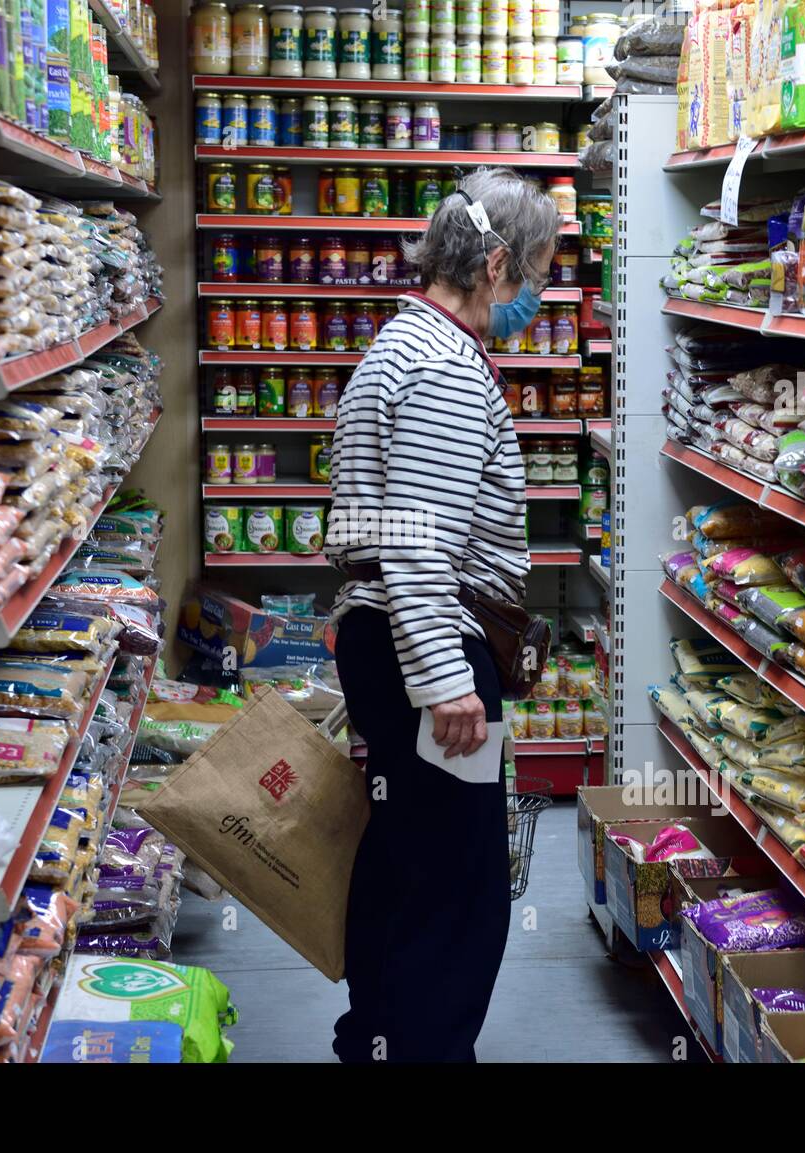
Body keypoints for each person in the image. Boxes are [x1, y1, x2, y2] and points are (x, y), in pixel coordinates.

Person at [325, 167, 560, 1063]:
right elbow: (419, 544)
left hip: (393, 642)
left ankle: (376, 1039)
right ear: (494, 264)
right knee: (460, 891)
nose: (534, 295)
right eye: (533, 272)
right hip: (429, 648)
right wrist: (447, 682)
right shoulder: (446, 370)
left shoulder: (402, 344)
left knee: (404, 862)